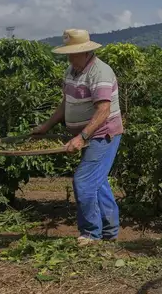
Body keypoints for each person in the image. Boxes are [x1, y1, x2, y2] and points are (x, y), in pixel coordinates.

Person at [32, 29, 124, 246]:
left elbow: (103, 111)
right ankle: (109, 232)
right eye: (68, 53)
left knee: (83, 181)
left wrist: (82, 137)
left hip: (103, 134)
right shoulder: (72, 70)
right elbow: (67, 102)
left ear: (86, 52)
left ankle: (91, 234)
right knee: (97, 182)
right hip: (90, 135)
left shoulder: (99, 72)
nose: (69, 57)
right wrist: (46, 126)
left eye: (73, 53)